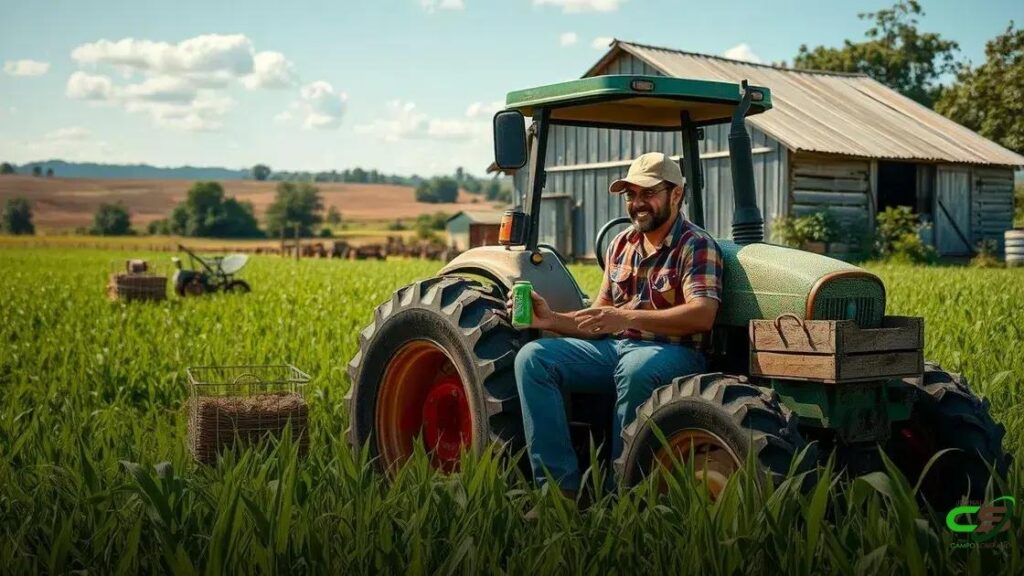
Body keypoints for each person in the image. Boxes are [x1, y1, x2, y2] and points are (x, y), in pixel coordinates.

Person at [507, 151, 724, 510]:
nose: (637, 203)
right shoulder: (621, 244)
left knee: (636, 368)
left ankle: (620, 496)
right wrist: (551, 321)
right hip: (616, 349)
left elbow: (702, 315)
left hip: (676, 353)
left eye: (648, 193)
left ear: (676, 195)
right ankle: (559, 493)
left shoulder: (696, 245)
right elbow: (600, 317)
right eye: (631, 194)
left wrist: (627, 319)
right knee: (534, 359)